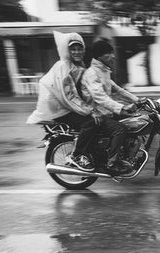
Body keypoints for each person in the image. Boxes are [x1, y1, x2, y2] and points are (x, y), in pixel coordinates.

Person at [26, 31, 102, 172]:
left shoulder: (78, 65)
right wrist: (91, 110)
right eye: (73, 49)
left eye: (80, 48)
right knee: (90, 122)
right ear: (68, 51)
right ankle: (77, 155)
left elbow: (83, 91)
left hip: (66, 105)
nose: (77, 52)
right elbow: (69, 96)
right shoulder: (64, 67)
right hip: (60, 108)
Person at [81, 39, 140, 175]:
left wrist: (138, 100)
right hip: (96, 114)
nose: (113, 56)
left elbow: (118, 90)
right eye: (109, 53)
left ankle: (126, 153)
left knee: (135, 119)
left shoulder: (104, 71)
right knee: (120, 129)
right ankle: (111, 163)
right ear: (100, 56)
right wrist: (122, 108)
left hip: (106, 111)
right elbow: (100, 97)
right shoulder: (92, 73)